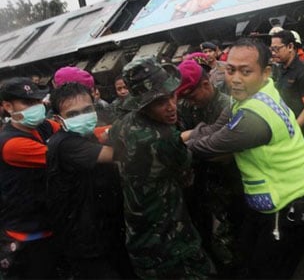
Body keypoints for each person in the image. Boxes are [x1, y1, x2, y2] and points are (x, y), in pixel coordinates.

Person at [182, 38, 304, 279]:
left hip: (293, 202)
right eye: (230, 70)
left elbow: (208, 147)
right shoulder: (258, 92)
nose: (235, 78)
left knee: (269, 271)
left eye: (246, 71)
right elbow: (216, 127)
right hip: (280, 198)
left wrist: (174, 142)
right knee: (252, 257)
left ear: (265, 71)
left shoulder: (253, 118)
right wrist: (186, 135)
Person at [109, 57, 213, 279]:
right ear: (143, 104)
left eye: (172, 95)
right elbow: (186, 174)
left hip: (139, 235)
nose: (171, 106)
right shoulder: (163, 137)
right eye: (160, 102)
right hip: (170, 241)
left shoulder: (122, 124)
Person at [46, 82, 133, 279]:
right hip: (85, 241)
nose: (82, 117)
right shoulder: (65, 144)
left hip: (105, 230)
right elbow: (115, 155)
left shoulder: (85, 136)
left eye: (87, 110)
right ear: (59, 119)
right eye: (73, 114)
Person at [177, 58, 243, 276]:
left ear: (206, 85)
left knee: (230, 235)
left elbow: (226, 154)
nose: (189, 102)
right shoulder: (187, 105)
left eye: (191, 95)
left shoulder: (228, 106)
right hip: (200, 182)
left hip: (228, 182)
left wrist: (188, 149)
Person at [0, 77, 59, 278]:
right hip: (26, 235)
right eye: (27, 103)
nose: (36, 107)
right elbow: (66, 155)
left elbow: (74, 131)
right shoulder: (11, 144)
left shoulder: (42, 127)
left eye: (36, 101)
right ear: (8, 106)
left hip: (48, 224)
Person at [270, 30, 304, 149]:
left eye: (277, 49)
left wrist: (292, 129)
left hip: (302, 131)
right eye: (271, 49)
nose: (273, 53)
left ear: (290, 47)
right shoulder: (281, 69)